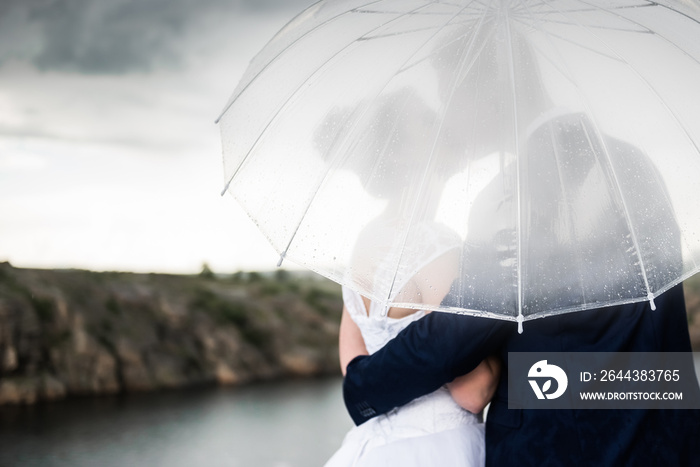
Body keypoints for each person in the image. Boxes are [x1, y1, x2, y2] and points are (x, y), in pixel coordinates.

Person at [342, 111, 700, 465]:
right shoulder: (633, 164)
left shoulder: (513, 195)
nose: (450, 118)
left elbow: (453, 336)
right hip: (666, 435)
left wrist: (363, 385)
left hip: (556, 447)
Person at [324, 87, 500, 466]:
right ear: (399, 153)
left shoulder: (365, 241)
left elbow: (355, 369)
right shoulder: (436, 245)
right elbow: (473, 390)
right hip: (442, 447)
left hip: (371, 448)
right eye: (426, 119)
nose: (442, 123)